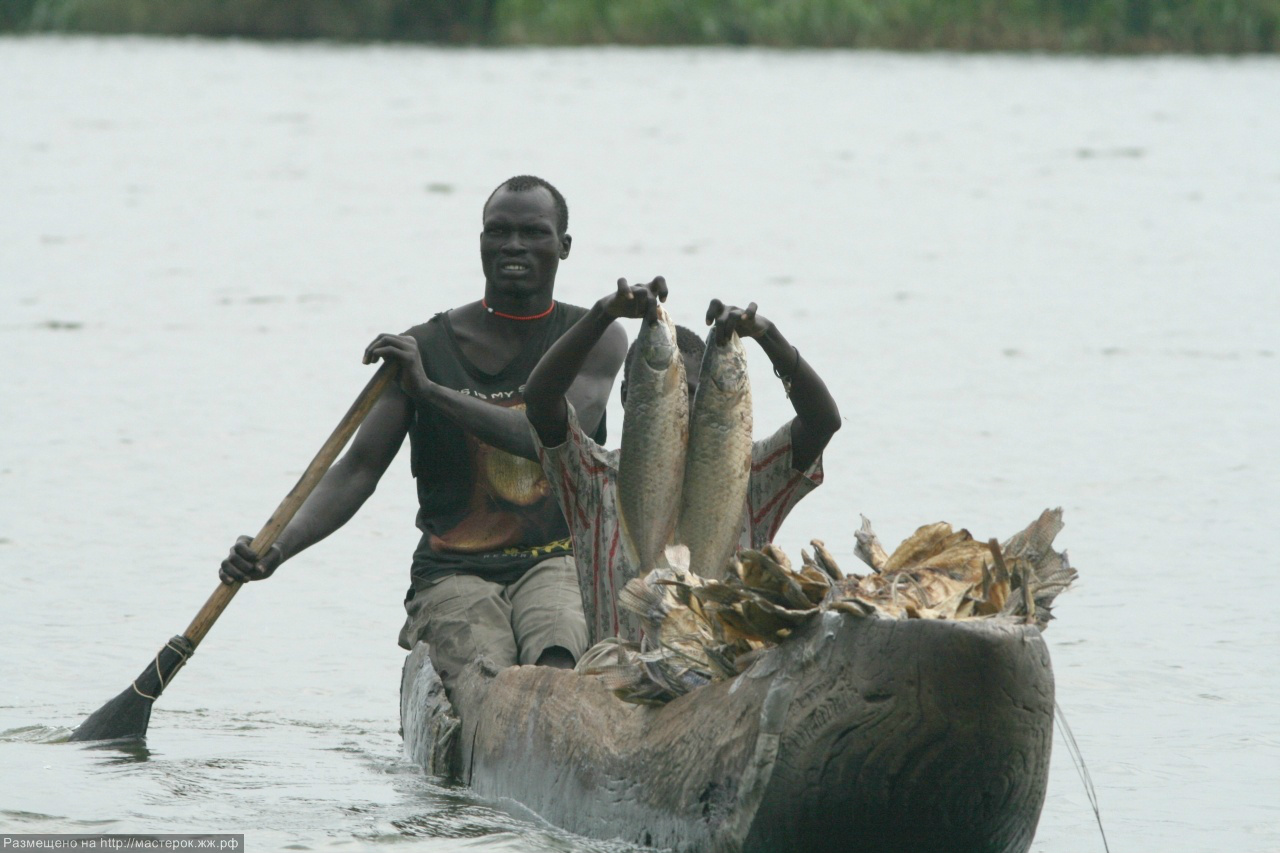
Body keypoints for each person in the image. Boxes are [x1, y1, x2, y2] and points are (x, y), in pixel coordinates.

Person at [218, 176, 628, 707]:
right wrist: (275, 549)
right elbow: (357, 471)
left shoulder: (594, 338)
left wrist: (431, 392)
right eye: (498, 232)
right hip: (454, 569)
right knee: (487, 686)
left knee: (556, 660)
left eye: (533, 233)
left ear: (563, 247)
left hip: (558, 561)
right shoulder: (424, 347)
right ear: (480, 242)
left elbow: (546, 437)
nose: (514, 246)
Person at [523, 277, 842, 645]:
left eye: (695, 394)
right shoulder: (592, 479)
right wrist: (603, 313)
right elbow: (541, 401)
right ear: (629, 395)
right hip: (616, 684)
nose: (686, 408)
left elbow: (823, 422)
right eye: (676, 391)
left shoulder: (747, 475)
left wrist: (766, 335)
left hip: (719, 679)